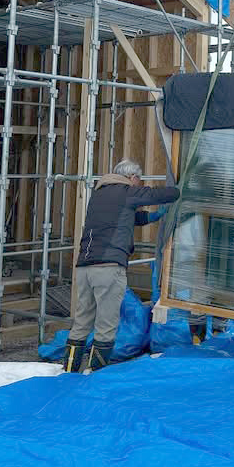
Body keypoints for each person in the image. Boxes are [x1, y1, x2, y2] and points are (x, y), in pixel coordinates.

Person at [65, 159, 179, 373]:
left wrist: (153, 216)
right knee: (106, 325)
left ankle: (69, 370)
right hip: (108, 267)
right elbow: (157, 195)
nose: (139, 184)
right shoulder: (126, 190)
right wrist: (180, 190)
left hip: (84, 267)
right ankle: (96, 375)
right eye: (139, 180)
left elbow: (129, 217)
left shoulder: (99, 194)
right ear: (132, 178)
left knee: (82, 321)